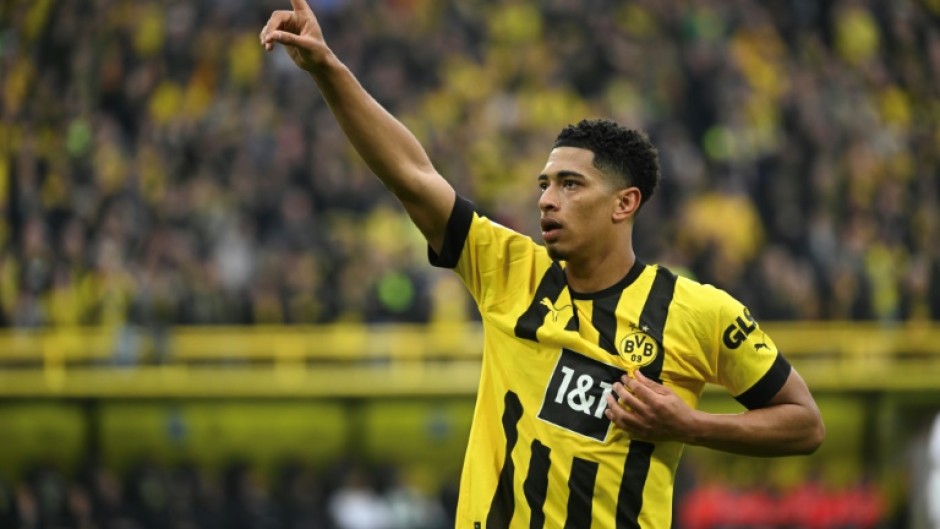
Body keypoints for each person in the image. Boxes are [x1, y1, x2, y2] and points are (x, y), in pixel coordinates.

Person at [260, 2, 826, 528]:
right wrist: (328, 69)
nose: (547, 200)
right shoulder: (507, 269)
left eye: (570, 185)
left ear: (624, 203)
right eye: (544, 185)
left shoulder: (696, 312)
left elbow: (804, 422)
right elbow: (413, 176)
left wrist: (691, 426)